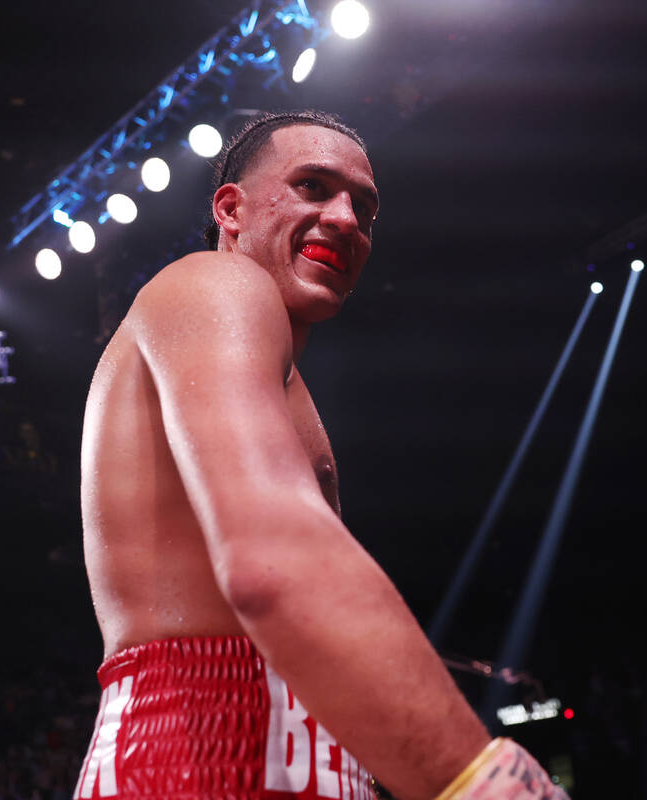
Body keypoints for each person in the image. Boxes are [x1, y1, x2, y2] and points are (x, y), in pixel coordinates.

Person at [75, 110, 567, 800]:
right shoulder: (214, 285)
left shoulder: (277, 370)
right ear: (230, 208)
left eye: (364, 209)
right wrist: (486, 780)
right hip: (201, 743)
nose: (344, 219)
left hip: (276, 746)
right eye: (313, 186)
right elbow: (272, 561)